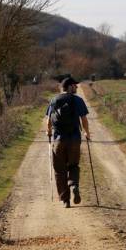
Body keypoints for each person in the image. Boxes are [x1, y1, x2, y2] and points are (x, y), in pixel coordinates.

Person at [46, 76, 91, 208]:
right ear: (70, 87)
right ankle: (74, 185)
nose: (77, 87)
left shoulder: (54, 100)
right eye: (75, 86)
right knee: (74, 165)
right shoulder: (77, 100)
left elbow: (49, 120)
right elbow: (84, 119)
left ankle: (66, 200)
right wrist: (86, 132)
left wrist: (48, 132)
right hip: (75, 140)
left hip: (59, 141)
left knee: (60, 170)